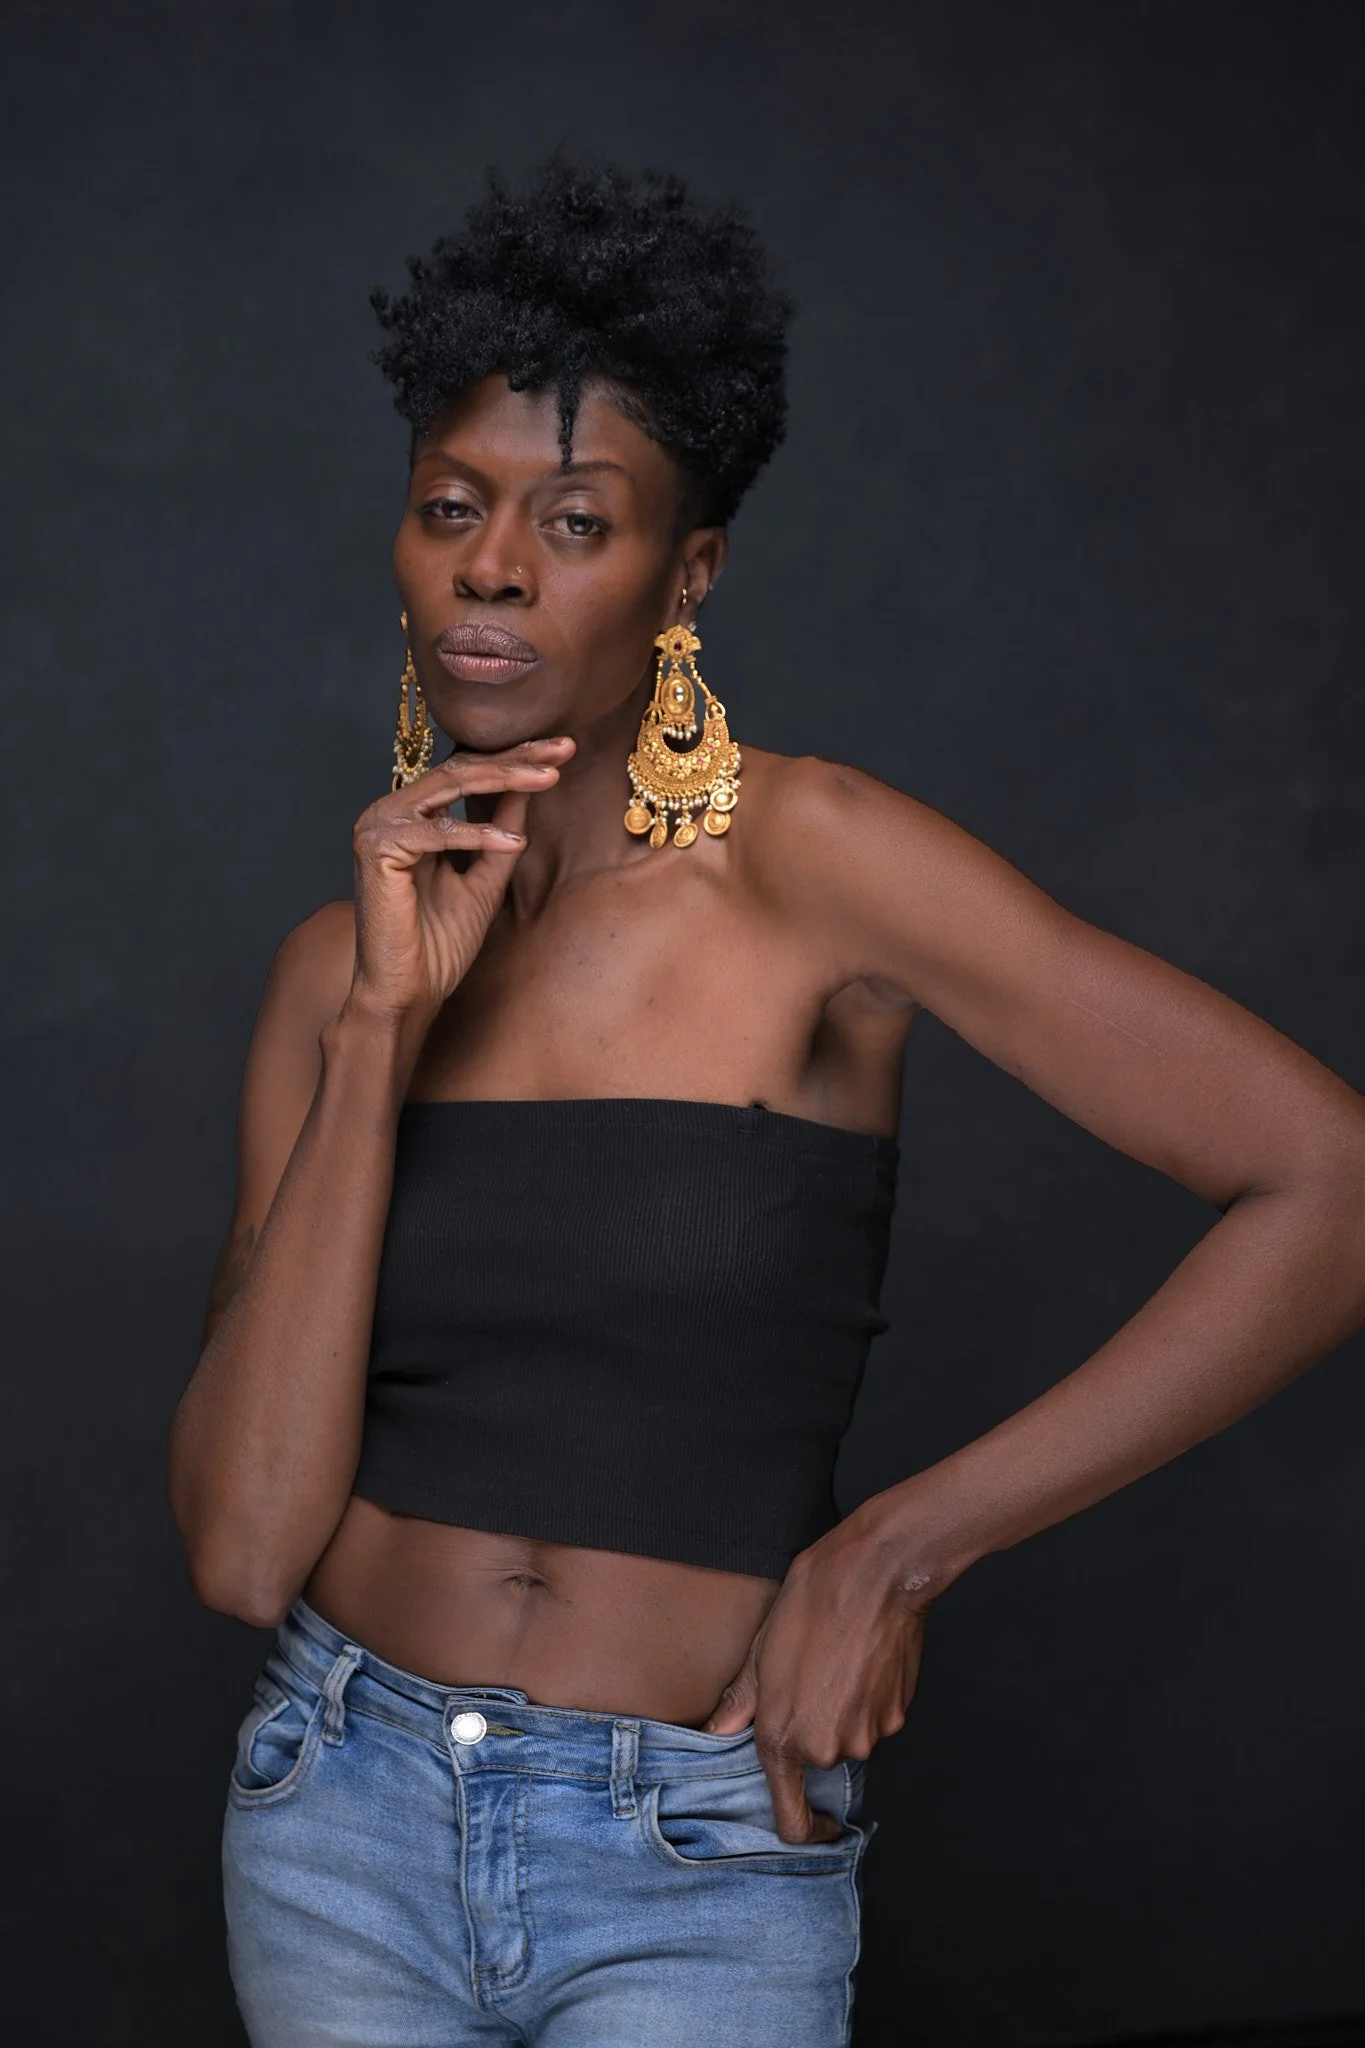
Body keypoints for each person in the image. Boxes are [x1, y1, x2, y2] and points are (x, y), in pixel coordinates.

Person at [168, 157, 1365, 2048]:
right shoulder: (338, 973)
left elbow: (1328, 1185)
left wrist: (900, 1546)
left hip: (691, 1853)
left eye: (577, 521)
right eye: (452, 507)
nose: (494, 566)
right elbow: (241, 1549)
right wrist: (382, 1035)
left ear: (691, 573)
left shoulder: (817, 870)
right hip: (340, 1817)